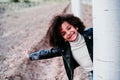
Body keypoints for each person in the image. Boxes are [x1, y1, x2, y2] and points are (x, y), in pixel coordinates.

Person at [28, 14, 93, 80]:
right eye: (64, 33)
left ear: (76, 27)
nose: (68, 33)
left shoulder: (91, 34)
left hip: (103, 64)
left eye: (69, 28)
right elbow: (48, 53)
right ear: (63, 38)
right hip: (94, 73)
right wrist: (31, 56)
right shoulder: (65, 49)